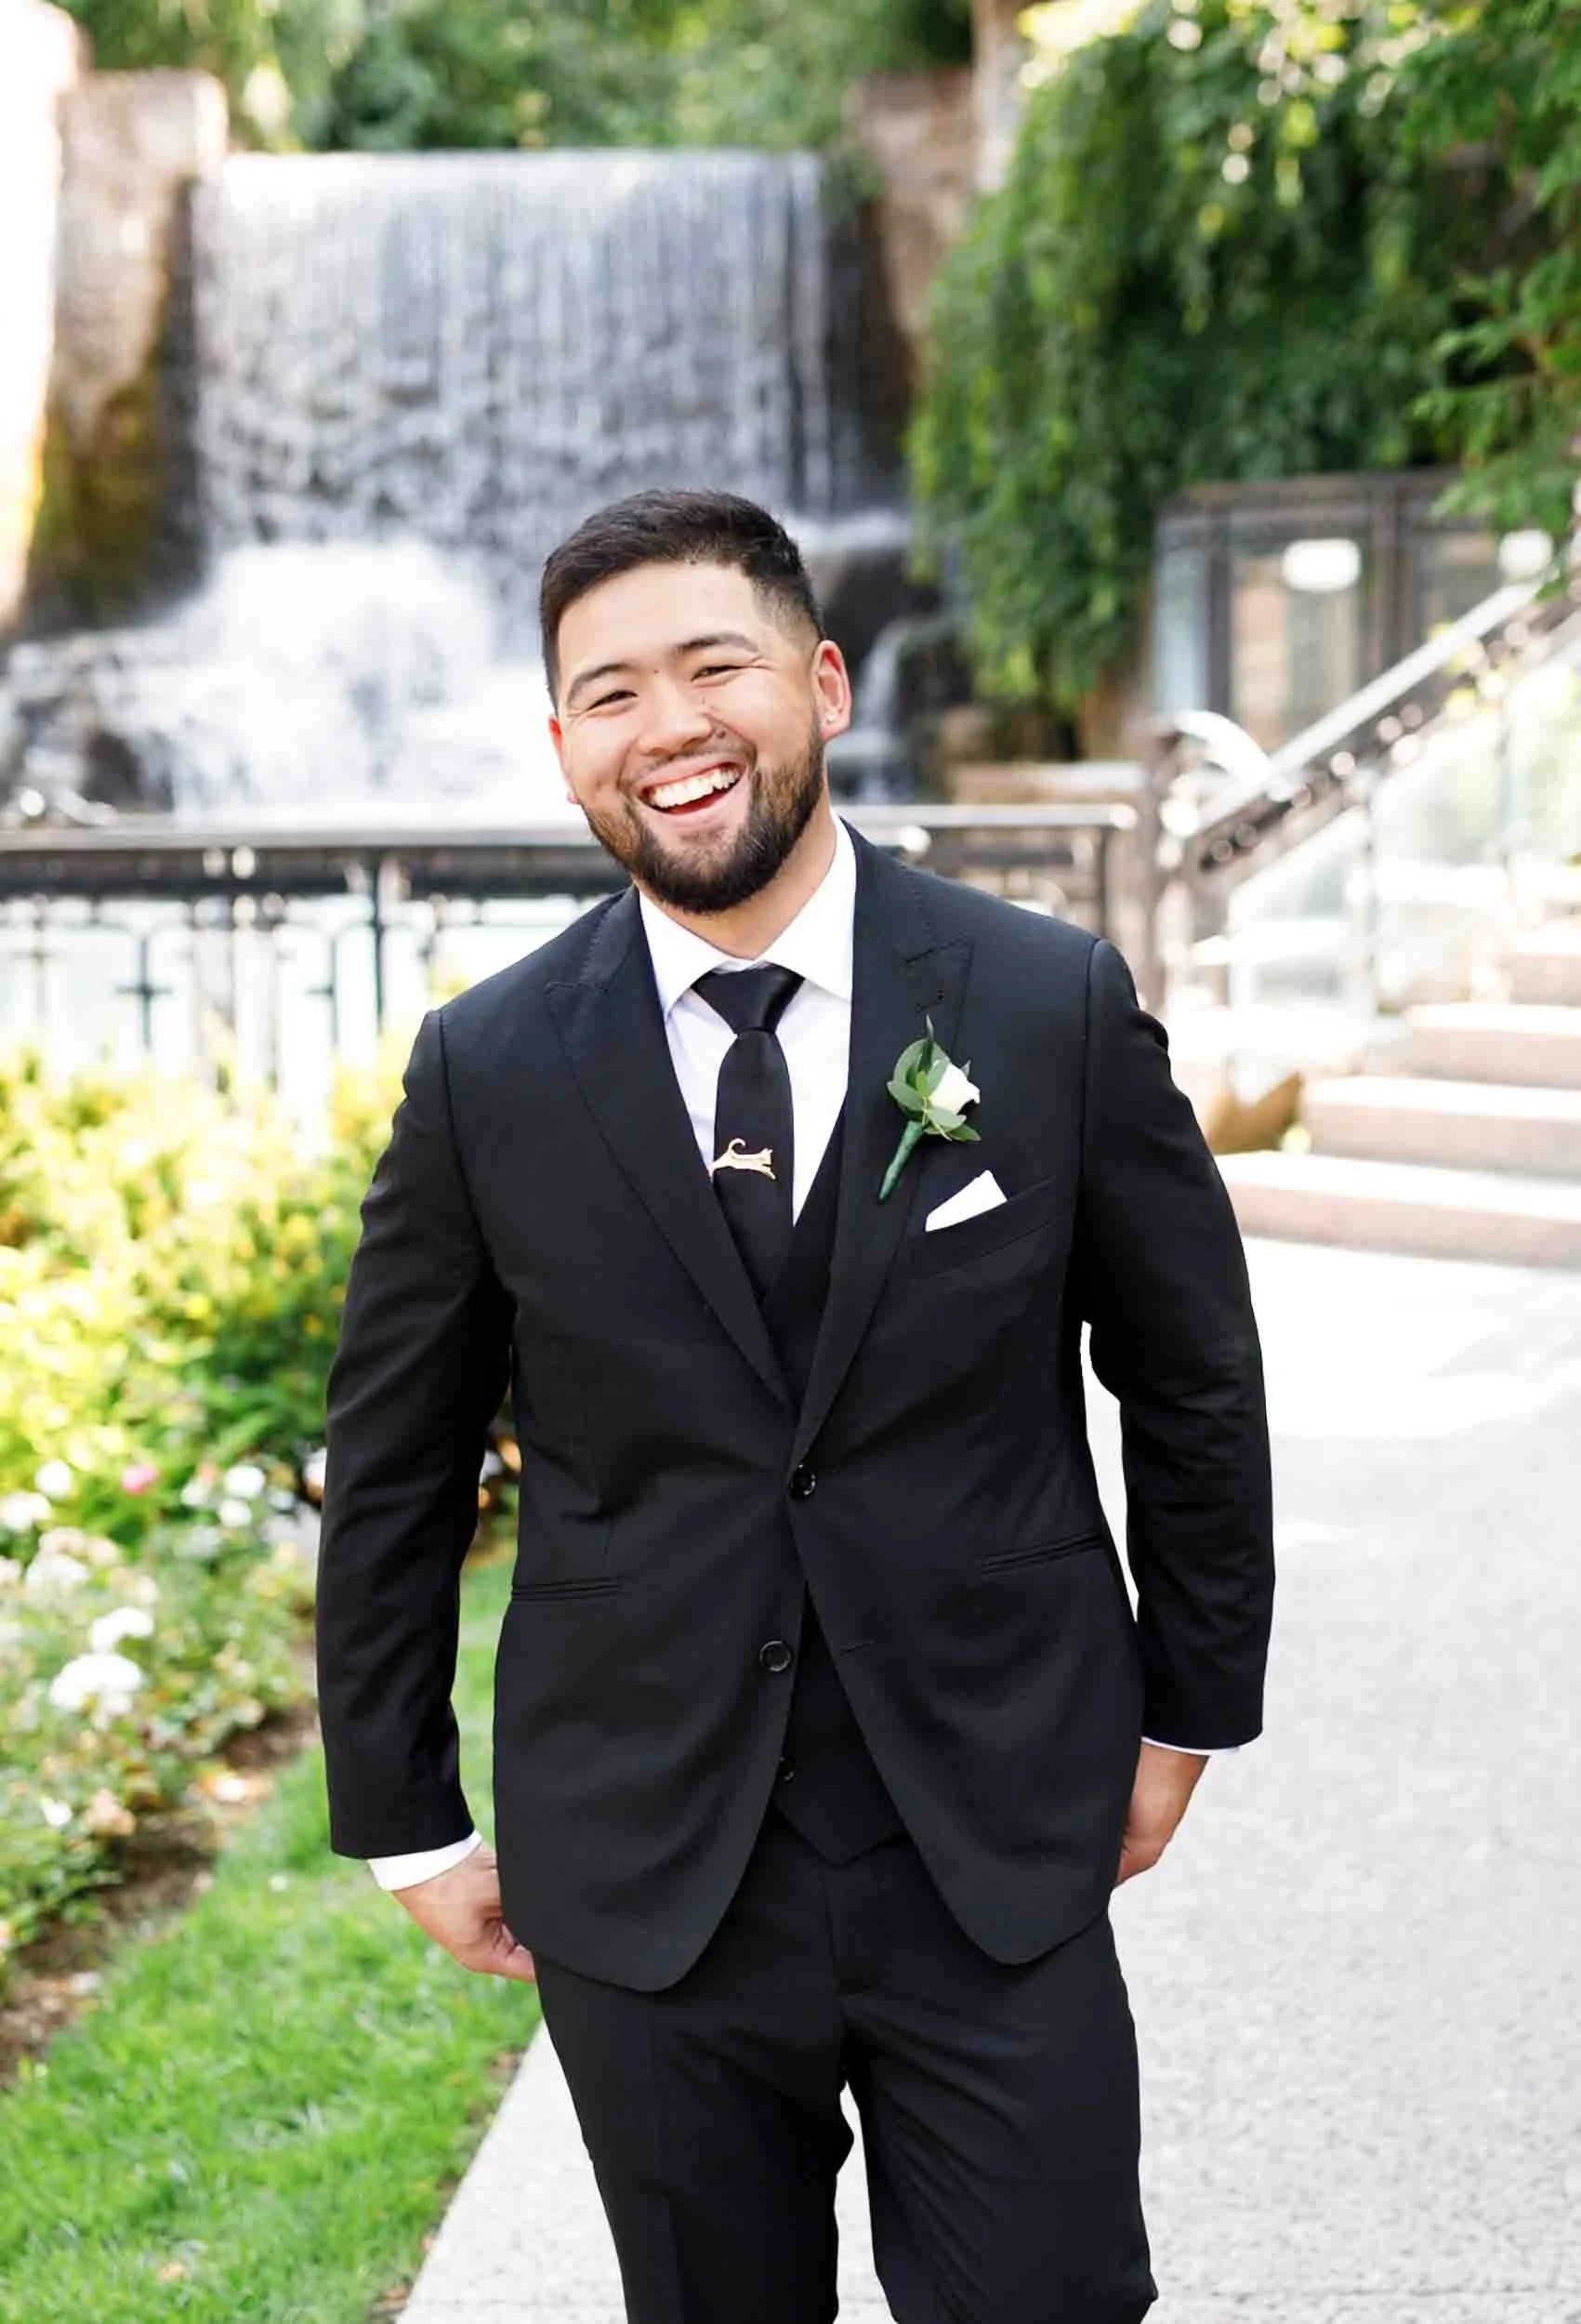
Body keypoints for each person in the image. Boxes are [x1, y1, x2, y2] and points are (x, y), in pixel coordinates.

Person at [315, 489, 1274, 2324]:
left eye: (712, 667)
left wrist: (1189, 1699)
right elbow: (398, 1462)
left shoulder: (1044, 998)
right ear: (561, 747)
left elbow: (1192, 1372)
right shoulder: (488, 1064)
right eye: (609, 693)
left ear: (823, 683)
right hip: (647, 1863)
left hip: (990, 1825)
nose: (666, 726)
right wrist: (406, 1811)